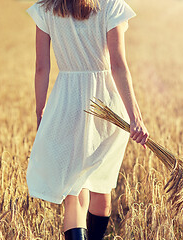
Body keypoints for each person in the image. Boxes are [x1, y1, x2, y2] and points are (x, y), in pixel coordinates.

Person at [25, 0, 149, 239]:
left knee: (74, 189)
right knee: (101, 188)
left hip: (67, 102)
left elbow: (42, 68)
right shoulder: (112, 5)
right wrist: (135, 117)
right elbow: (118, 65)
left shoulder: (45, 8)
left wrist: (41, 112)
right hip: (108, 106)